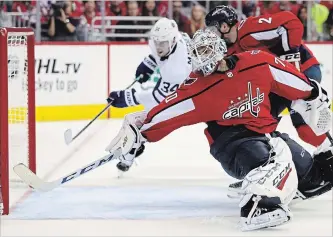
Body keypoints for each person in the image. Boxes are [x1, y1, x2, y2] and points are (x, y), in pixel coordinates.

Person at [105, 29, 332, 231]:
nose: (202, 56)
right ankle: (257, 206)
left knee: (314, 176)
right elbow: (167, 112)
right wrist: (140, 133)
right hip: (232, 144)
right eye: (198, 51)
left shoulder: (258, 62)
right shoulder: (196, 88)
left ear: (220, 49)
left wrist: (312, 92)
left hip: (266, 135)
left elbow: (291, 81)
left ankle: (290, 183)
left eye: (206, 49)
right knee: (274, 159)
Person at [204, 5, 330, 150]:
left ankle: (329, 152)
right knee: (259, 123)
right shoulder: (228, 50)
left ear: (224, 26)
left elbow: (291, 22)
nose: (212, 35)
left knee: (304, 128)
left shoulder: (248, 30)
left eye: (213, 30)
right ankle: (275, 159)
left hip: (304, 69)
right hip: (278, 82)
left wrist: (292, 64)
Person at [107, 17, 192, 111]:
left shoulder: (176, 70)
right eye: (156, 42)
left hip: (190, 101)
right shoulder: (178, 37)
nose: (158, 47)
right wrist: (151, 61)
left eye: (162, 43)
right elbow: (165, 51)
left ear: (172, 41)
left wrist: (129, 98)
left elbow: (158, 99)